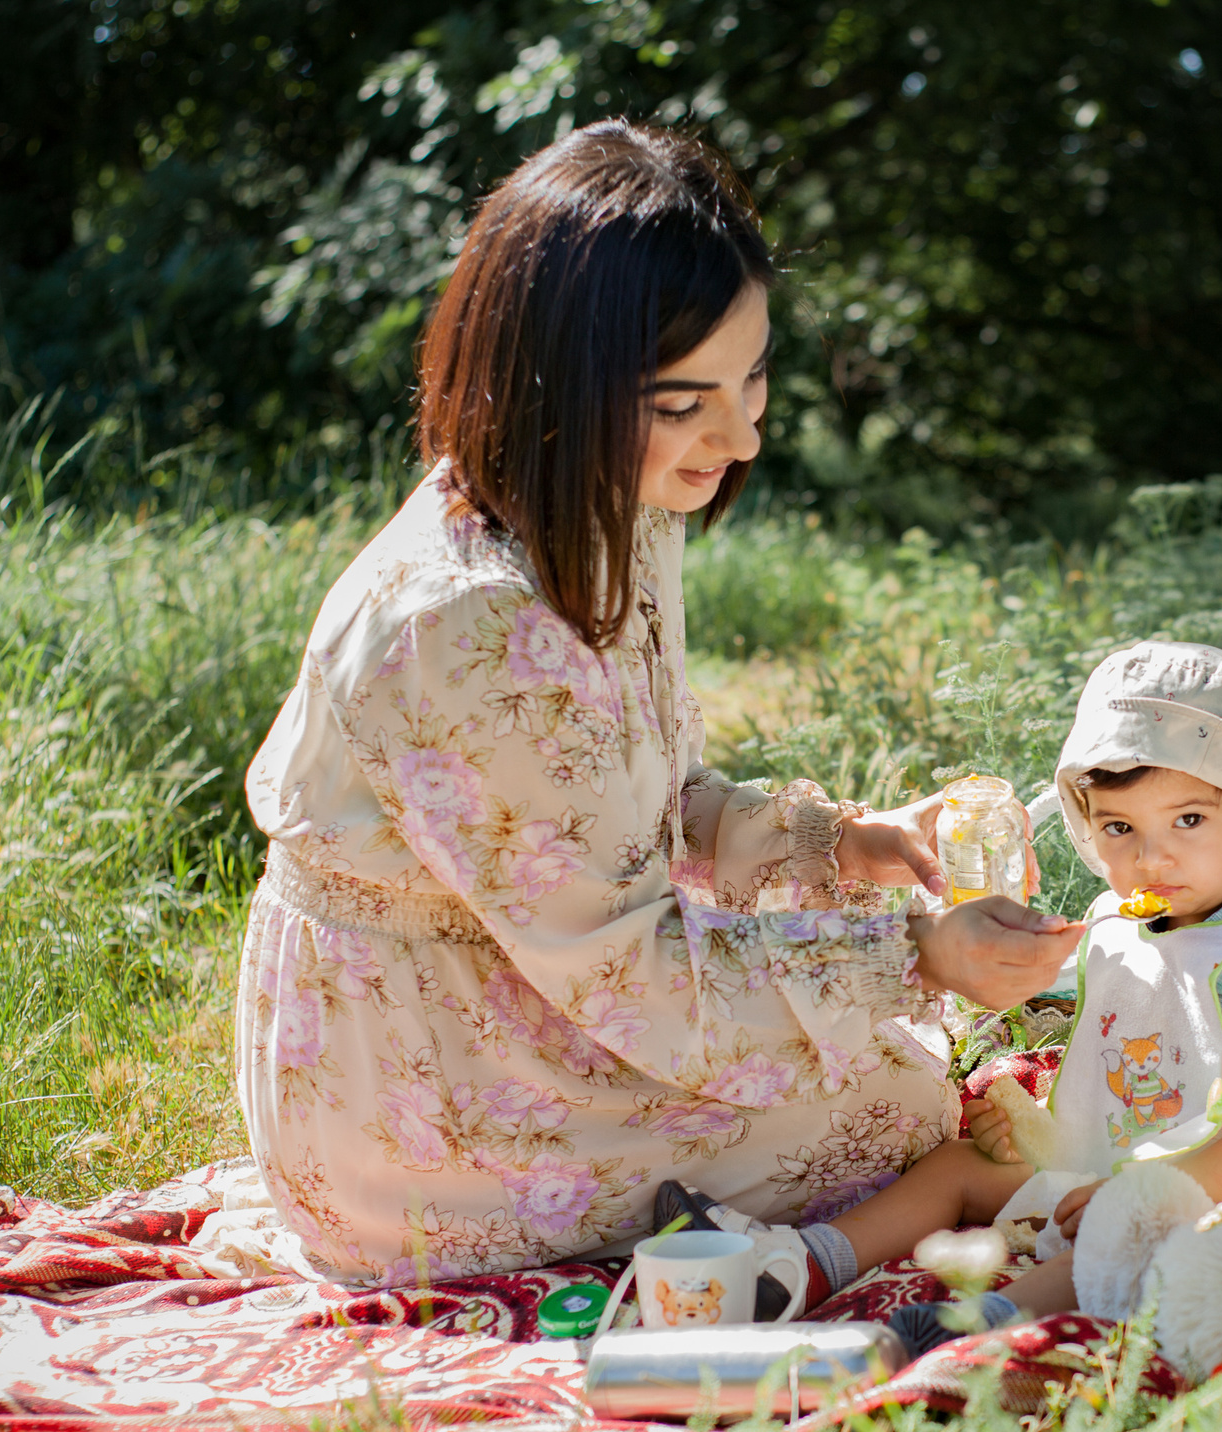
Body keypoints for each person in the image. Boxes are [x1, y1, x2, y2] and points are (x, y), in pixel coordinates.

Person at [228, 122, 1082, 1285]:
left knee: (894, 1069)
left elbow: (637, 811)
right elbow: (624, 968)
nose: (740, 436)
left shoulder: (607, 510)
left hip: (524, 987)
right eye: (685, 402)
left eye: (753, 375)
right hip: (415, 1078)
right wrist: (915, 956)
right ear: (556, 387)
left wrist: (851, 846)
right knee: (894, 1102)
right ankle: (786, 1263)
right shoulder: (459, 622)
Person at [655, 641, 1222, 1326]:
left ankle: (980, 1337)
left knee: (1124, 1243)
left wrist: (1143, 1194)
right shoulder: (1113, 924)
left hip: (1186, 1196)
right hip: (1084, 1170)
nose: (1150, 856)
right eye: (1120, 827)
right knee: (955, 1166)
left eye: (1189, 819)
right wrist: (1027, 1128)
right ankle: (798, 1264)